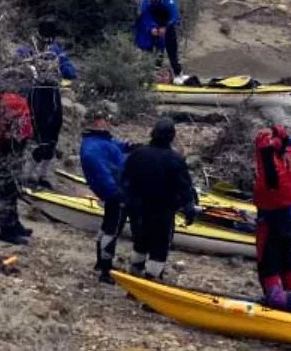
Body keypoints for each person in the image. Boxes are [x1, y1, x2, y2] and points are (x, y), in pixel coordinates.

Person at [121, 117, 198, 280]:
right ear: (171, 136)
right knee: (159, 249)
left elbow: (125, 179)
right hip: (162, 211)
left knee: (140, 243)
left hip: (137, 209)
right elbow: (185, 187)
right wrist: (190, 210)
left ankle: (134, 279)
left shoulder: (137, 154)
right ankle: (150, 283)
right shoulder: (175, 159)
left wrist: (127, 202)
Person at [15, 18, 76, 190]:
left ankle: (42, 175)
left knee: (52, 136)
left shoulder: (55, 51)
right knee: (36, 134)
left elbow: (71, 72)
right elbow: (16, 67)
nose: (47, 43)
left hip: (51, 95)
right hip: (35, 95)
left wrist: (62, 66)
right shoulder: (27, 50)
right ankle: (27, 174)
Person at [79, 108, 136, 283]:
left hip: (114, 190)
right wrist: (116, 193)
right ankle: (105, 268)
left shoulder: (98, 141)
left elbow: (113, 147)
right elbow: (102, 173)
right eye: (105, 119)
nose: (109, 122)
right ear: (96, 122)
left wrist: (129, 146)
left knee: (108, 227)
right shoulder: (93, 149)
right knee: (111, 230)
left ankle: (101, 262)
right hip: (114, 193)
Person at [0, 71, 35, 245]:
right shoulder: (10, 101)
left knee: (13, 187)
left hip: (15, 148)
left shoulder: (13, 100)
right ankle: (6, 229)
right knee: (8, 188)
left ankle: (14, 223)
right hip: (9, 149)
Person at [253, 124, 291, 296]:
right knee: (288, 262)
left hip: (269, 216)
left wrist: (264, 137)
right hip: (286, 215)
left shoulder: (271, 167)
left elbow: (264, 151)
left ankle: (272, 298)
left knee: (268, 262)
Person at [134, 0, 187, 84]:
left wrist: (165, 28)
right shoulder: (146, 2)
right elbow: (145, 18)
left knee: (172, 53)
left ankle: (178, 74)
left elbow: (175, 15)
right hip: (154, 30)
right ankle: (152, 76)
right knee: (156, 54)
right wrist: (151, 28)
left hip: (167, 28)